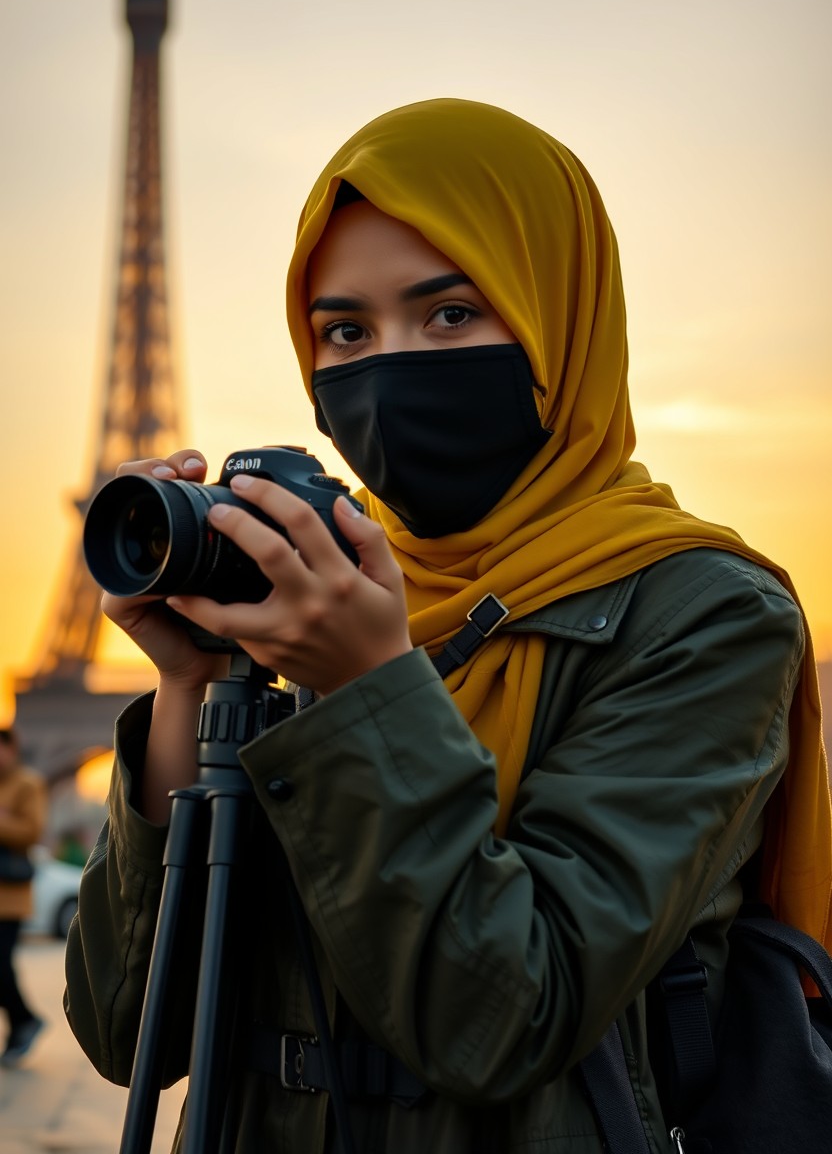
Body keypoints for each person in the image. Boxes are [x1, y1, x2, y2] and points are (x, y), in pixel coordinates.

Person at [64, 99, 832, 1152]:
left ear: (561, 319)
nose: (389, 366)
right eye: (344, 331)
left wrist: (365, 687)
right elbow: (121, 1030)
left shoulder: (703, 613)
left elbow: (508, 1015)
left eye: (450, 314)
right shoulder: (306, 590)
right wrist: (192, 693)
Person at [0, 724, 47, 1067]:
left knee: (1, 967)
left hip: (9, 898)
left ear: (12, 749)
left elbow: (32, 832)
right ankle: (22, 1023)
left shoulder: (27, 783)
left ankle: (25, 1020)